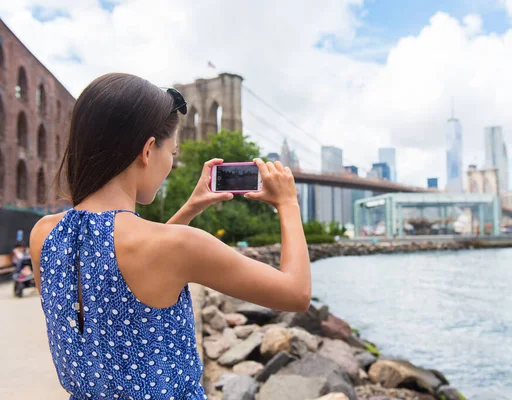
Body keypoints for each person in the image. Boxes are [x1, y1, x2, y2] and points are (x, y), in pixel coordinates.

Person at [29, 73, 311, 400]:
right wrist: (289, 203)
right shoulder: (176, 246)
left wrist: (189, 208)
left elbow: (119, 273)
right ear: (148, 150)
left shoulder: (44, 234)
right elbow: (297, 293)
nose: (171, 163)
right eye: (172, 153)